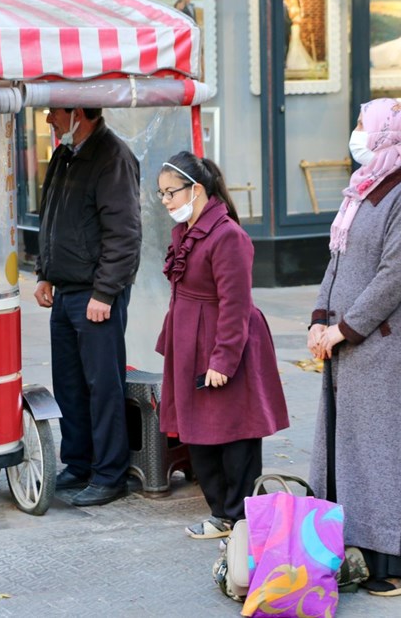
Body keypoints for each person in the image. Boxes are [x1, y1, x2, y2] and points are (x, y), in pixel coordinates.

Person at [306, 98, 401, 597]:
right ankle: (365, 548)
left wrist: (345, 328)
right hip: (351, 345)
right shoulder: (363, 190)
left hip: (390, 350)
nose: (354, 133)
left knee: (391, 452)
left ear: (386, 134)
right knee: (357, 453)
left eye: (360, 125)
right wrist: (319, 319)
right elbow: (338, 259)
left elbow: (395, 276)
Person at [155, 152, 289, 539]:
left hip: (224, 341)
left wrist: (224, 360)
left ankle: (238, 517)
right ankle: (221, 514)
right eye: (161, 194)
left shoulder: (228, 235)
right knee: (196, 428)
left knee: (235, 430)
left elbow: (236, 304)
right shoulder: (185, 230)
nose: (165, 202)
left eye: (171, 193)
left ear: (196, 190)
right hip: (191, 340)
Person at [35, 107, 141, 507]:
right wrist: (45, 272)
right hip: (67, 289)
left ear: (80, 112)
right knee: (69, 384)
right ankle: (79, 462)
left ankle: (110, 475)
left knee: (103, 385)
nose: (48, 119)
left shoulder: (112, 156)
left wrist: (105, 292)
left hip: (96, 294)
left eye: (54, 111)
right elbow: (51, 218)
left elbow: (125, 234)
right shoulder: (66, 154)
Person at [284, 0, 316, 72]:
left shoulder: (295, 9)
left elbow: (292, 17)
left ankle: (295, 61)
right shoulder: (292, 8)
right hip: (293, 26)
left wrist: (292, 18)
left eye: (293, 1)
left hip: (295, 27)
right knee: (294, 43)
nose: (291, 1)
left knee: (295, 42)